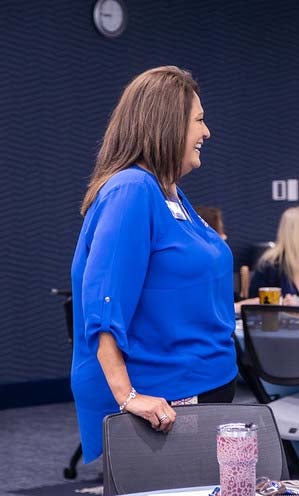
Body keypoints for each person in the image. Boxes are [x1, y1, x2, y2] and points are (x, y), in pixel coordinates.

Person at [71, 66, 238, 463]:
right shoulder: (132, 190)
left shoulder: (170, 192)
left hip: (204, 386)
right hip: (166, 403)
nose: (207, 132)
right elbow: (103, 302)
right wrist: (128, 397)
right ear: (167, 125)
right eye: (198, 120)